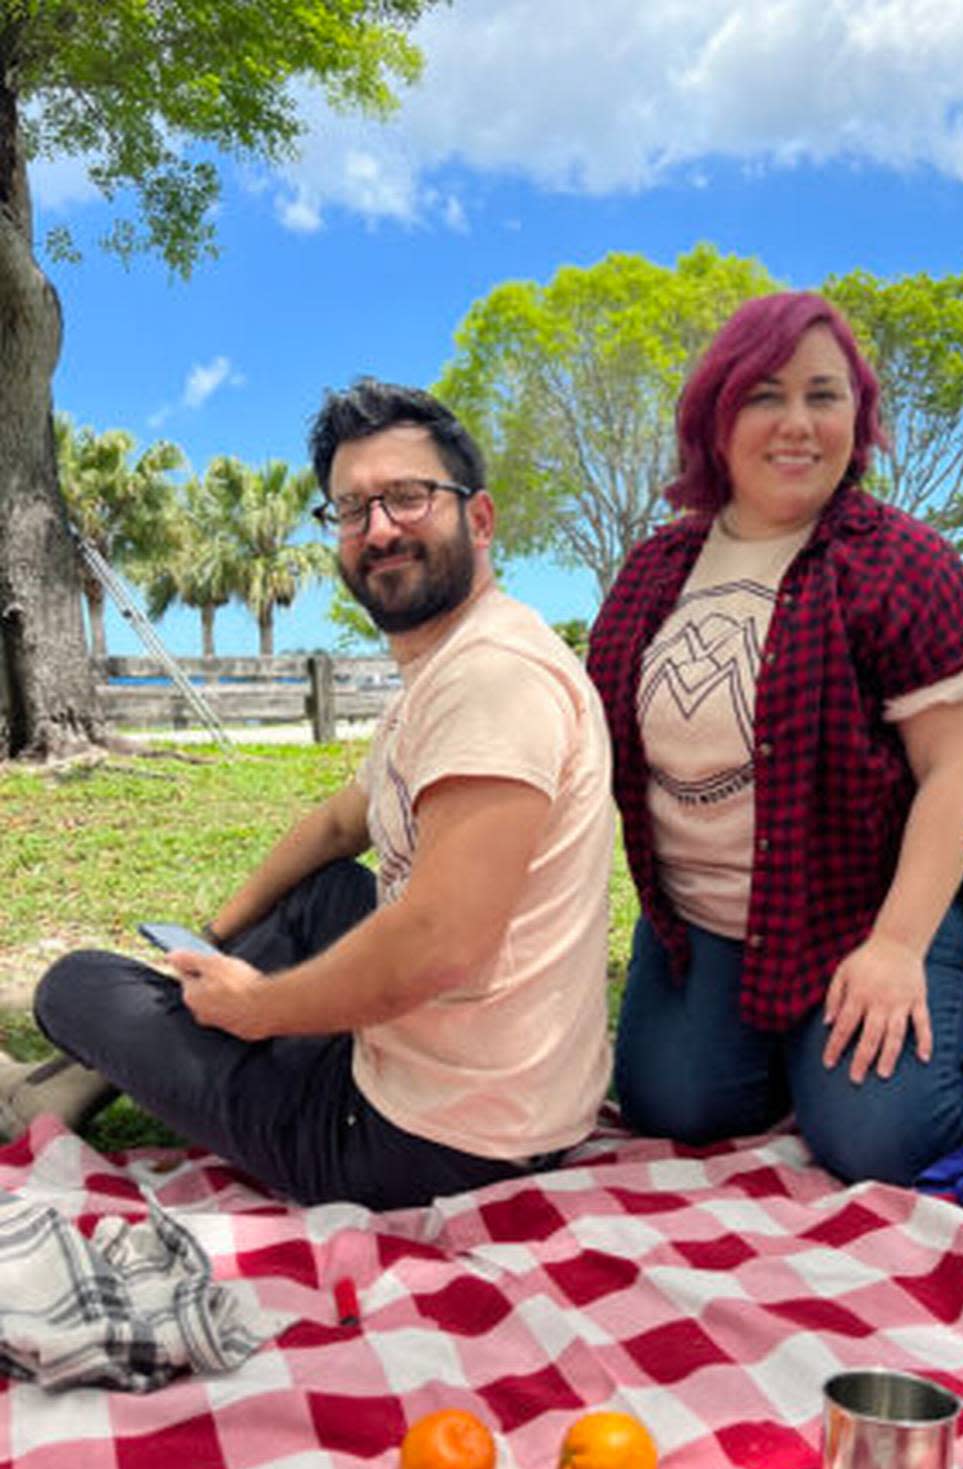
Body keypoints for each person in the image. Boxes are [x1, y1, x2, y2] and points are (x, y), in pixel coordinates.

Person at [3, 383, 614, 1209]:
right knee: (319, 890)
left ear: (478, 519)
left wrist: (258, 1007)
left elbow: (441, 943)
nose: (380, 528)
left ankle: (69, 1080)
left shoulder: (494, 679)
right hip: (499, 1088)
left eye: (407, 497)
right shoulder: (449, 666)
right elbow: (336, 824)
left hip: (432, 1145)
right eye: (353, 508)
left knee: (74, 984)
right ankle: (74, 1085)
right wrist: (216, 938)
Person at [586, 292, 963, 1187]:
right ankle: (791, 1044)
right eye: (763, 395)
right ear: (716, 415)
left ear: (856, 418)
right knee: (675, 1110)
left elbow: (957, 765)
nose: (796, 423)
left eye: (824, 396)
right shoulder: (656, 569)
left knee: (878, 1139)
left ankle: (961, 999)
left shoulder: (899, 562)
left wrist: (895, 947)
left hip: (869, 908)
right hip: (702, 924)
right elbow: (589, 741)